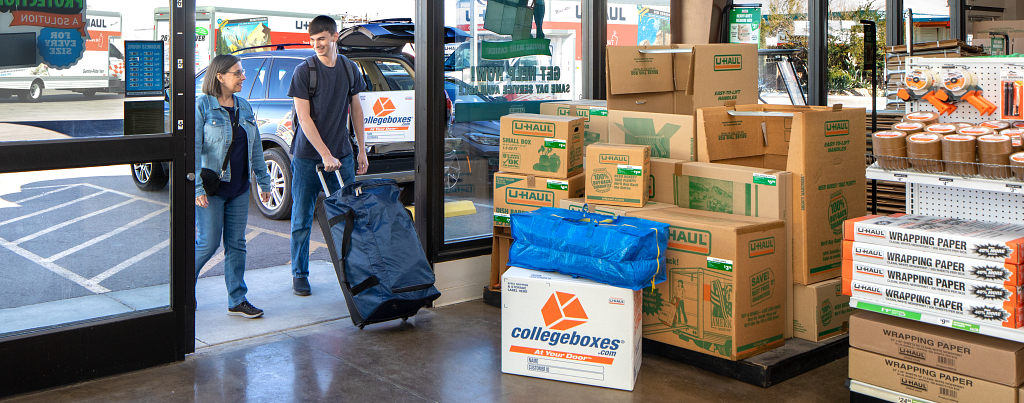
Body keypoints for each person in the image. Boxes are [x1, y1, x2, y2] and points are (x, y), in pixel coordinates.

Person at [287, 15, 368, 296]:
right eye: (312, 40)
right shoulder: (304, 71)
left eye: (321, 38)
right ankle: (299, 273)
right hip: (308, 156)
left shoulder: (349, 69)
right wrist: (325, 154)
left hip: (342, 155)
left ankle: (351, 272)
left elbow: (356, 110)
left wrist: (361, 149)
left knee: (347, 215)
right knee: (302, 216)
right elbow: (304, 119)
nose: (316, 45)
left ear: (334, 37)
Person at [195, 54, 273, 318]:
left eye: (241, 72)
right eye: (237, 72)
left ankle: (237, 299)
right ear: (220, 76)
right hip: (212, 188)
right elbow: (193, 150)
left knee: (237, 244)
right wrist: (196, 188)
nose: (243, 77)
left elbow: (256, 148)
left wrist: (263, 180)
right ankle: (183, 290)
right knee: (207, 244)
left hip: (239, 186)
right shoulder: (203, 106)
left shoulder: (245, 106)